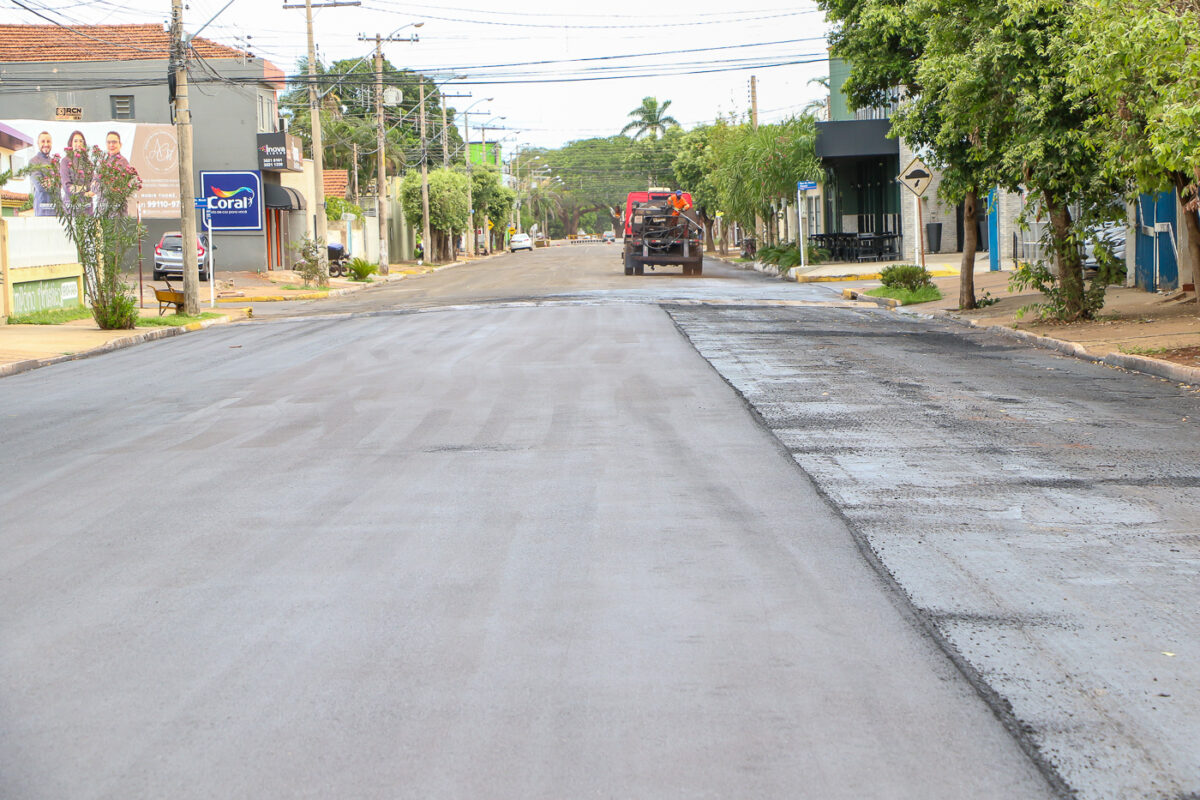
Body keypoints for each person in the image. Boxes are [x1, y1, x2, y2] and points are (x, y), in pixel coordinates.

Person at [59, 130, 94, 216]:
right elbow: (67, 186)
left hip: (87, 208)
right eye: (75, 141)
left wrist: (80, 188)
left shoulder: (89, 163)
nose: (78, 143)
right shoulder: (65, 161)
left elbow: (93, 185)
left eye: (81, 141)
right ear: (71, 143)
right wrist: (84, 192)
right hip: (71, 208)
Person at [29, 131, 55, 216]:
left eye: (48, 141)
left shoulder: (55, 162)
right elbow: (40, 185)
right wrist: (56, 182)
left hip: (56, 209)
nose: (46, 144)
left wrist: (51, 182)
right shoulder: (33, 162)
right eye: (43, 141)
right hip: (42, 209)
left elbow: (62, 183)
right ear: (38, 143)